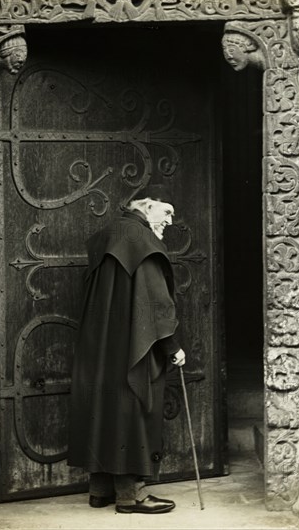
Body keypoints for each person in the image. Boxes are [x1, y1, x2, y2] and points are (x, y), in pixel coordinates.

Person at [68, 184, 186, 514]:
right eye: (167, 211)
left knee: (105, 410)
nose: (171, 220)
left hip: (101, 345)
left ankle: (100, 489)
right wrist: (172, 346)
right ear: (147, 207)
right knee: (132, 410)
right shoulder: (141, 241)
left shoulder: (109, 234)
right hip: (132, 344)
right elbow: (155, 304)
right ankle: (131, 495)